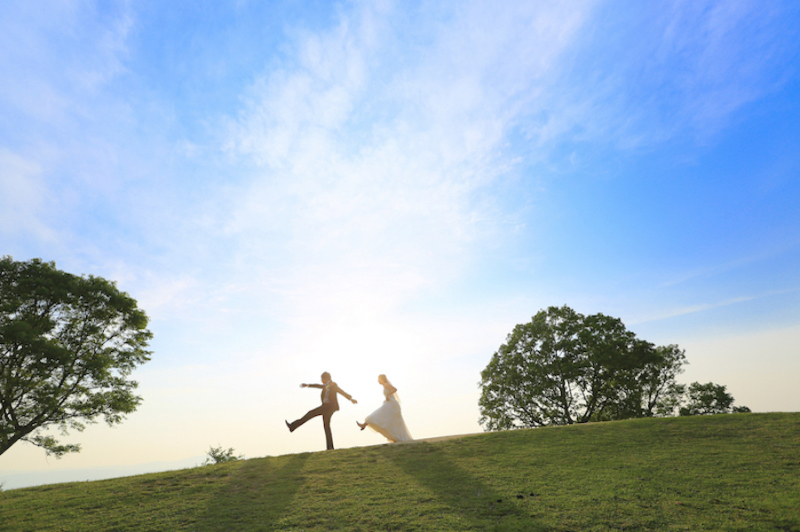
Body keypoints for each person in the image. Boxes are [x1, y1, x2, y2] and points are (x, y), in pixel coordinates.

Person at [286, 372, 357, 450]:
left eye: (322, 379)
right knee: (326, 426)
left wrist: (350, 399)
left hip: (328, 407)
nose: (321, 380)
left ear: (326, 378)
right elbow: (318, 386)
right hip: (326, 407)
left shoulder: (333, 385)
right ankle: (330, 447)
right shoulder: (326, 386)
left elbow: (341, 391)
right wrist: (308, 385)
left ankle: (292, 426)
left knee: (310, 413)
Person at [356, 374, 412, 443]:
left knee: (379, 415)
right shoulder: (385, 385)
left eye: (378, 379)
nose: (378, 381)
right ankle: (365, 424)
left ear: (381, 379)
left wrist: (388, 395)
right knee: (390, 421)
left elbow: (395, 389)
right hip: (389, 404)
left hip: (392, 404)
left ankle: (365, 424)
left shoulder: (386, 384)